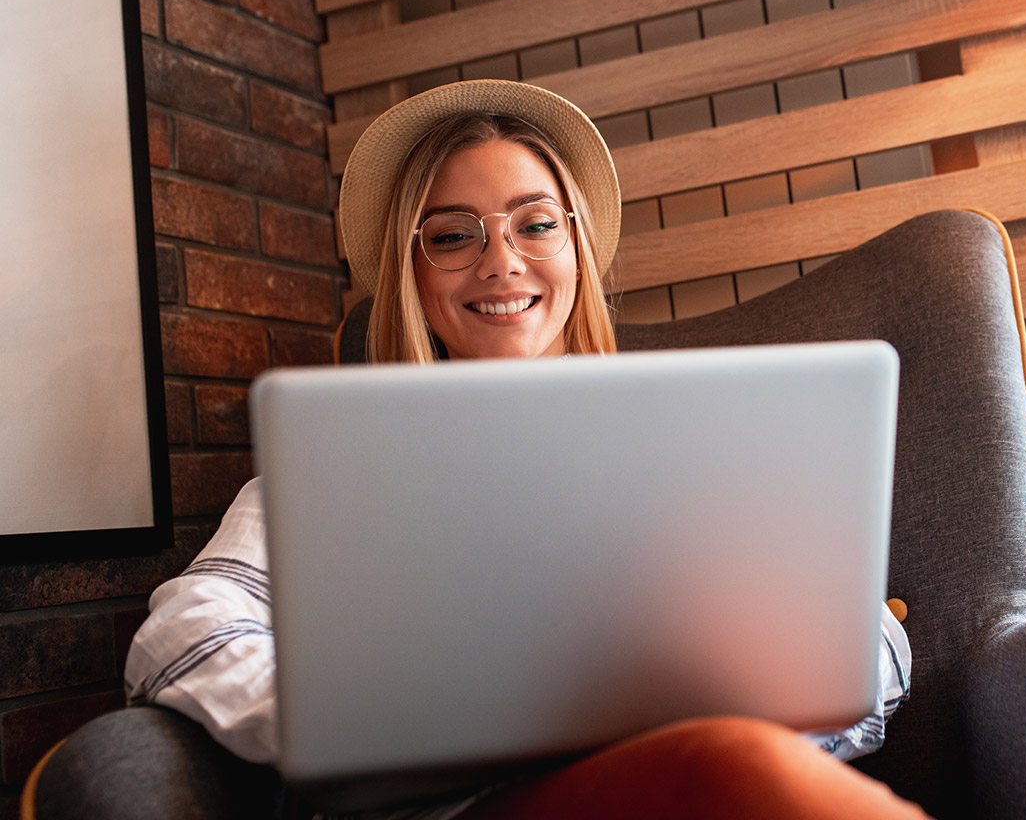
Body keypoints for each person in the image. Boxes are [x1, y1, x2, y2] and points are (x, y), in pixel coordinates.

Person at [124, 80, 925, 820]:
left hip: (670, 780)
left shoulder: (690, 451)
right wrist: (386, 731)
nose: (501, 260)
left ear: (575, 247)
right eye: (452, 234)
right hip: (469, 807)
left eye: (535, 223)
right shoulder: (334, 475)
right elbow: (179, 638)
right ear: (414, 272)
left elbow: (871, 652)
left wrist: (684, 714)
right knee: (732, 766)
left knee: (732, 761)